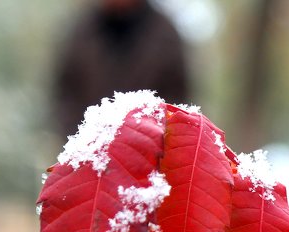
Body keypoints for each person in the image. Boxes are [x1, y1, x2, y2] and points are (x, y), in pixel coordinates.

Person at [52, 0, 190, 137]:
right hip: (89, 144)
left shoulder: (165, 33)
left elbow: (176, 94)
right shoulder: (81, 31)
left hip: (148, 146)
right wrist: (77, 135)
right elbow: (65, 91)